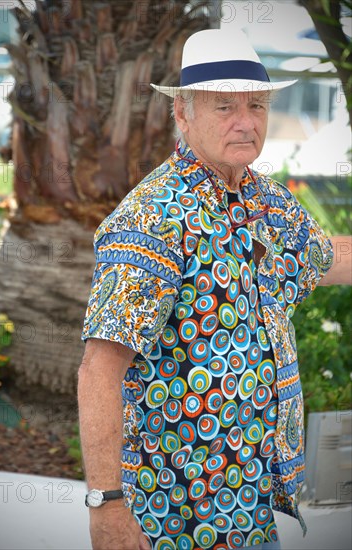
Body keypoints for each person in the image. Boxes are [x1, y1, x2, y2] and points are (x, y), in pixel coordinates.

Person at [78, 29, 352, 550]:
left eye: (256, 104)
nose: (245, 122)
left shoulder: (263, 198)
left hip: (249, 512)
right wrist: (106, 505)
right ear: (183, 113)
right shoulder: (153, 217)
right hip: (175, 519)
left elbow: (326, 257)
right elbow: (100, 366)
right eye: (224, 106)